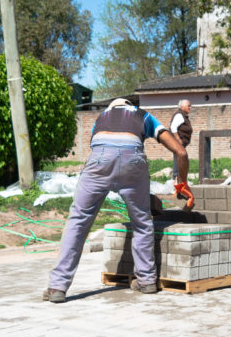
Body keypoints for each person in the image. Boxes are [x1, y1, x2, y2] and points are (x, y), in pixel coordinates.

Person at [44, 98, 190, 303]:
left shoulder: (101, 117)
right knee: (141, 221)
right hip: (134, 161)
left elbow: (100, 151)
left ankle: (57, 287)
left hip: (99, 160)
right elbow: (180, 151)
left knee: (78, 220)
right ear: (131, 106)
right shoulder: (143, 115)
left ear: (112, 107)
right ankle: (147, 280)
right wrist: (182, 184)